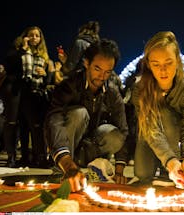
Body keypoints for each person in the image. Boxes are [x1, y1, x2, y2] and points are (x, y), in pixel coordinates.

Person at [118, 31, 184, 187]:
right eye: (156, 64)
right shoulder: (140, 89)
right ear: (149, 64)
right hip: (149, 135)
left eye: (168, 63)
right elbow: (151, 129)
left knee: (167, 114)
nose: (163, 70)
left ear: (177, 60)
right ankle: (166, 163)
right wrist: (169, 160)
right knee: (142, 174)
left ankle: (167, 170)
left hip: (173, 136)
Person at [44, 38, 128, 192]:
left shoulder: (112, 92)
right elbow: (53, 120)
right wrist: (67, 163)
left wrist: (119, 171)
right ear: (86, 63)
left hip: (93, 149)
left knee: (114, 134)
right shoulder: (69, 86)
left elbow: (123, 128)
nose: (102, 77)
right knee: (78, 113)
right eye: (97, 69)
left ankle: (95, 169)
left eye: (108, 72)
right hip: (70, 149)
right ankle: (62, 170)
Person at [0, 26, 52, 167]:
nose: (34, 38)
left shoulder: (42, 56)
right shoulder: (17, 49)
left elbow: (47, 80)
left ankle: (31, 157)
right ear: (25, 36)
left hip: (30, 93)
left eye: (37, 35)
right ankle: (12, 156)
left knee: (29, 125)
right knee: (12, 123)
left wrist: (45, 74)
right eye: (31, 35)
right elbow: (10, 64)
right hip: (15, 90)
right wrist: (23, 49)